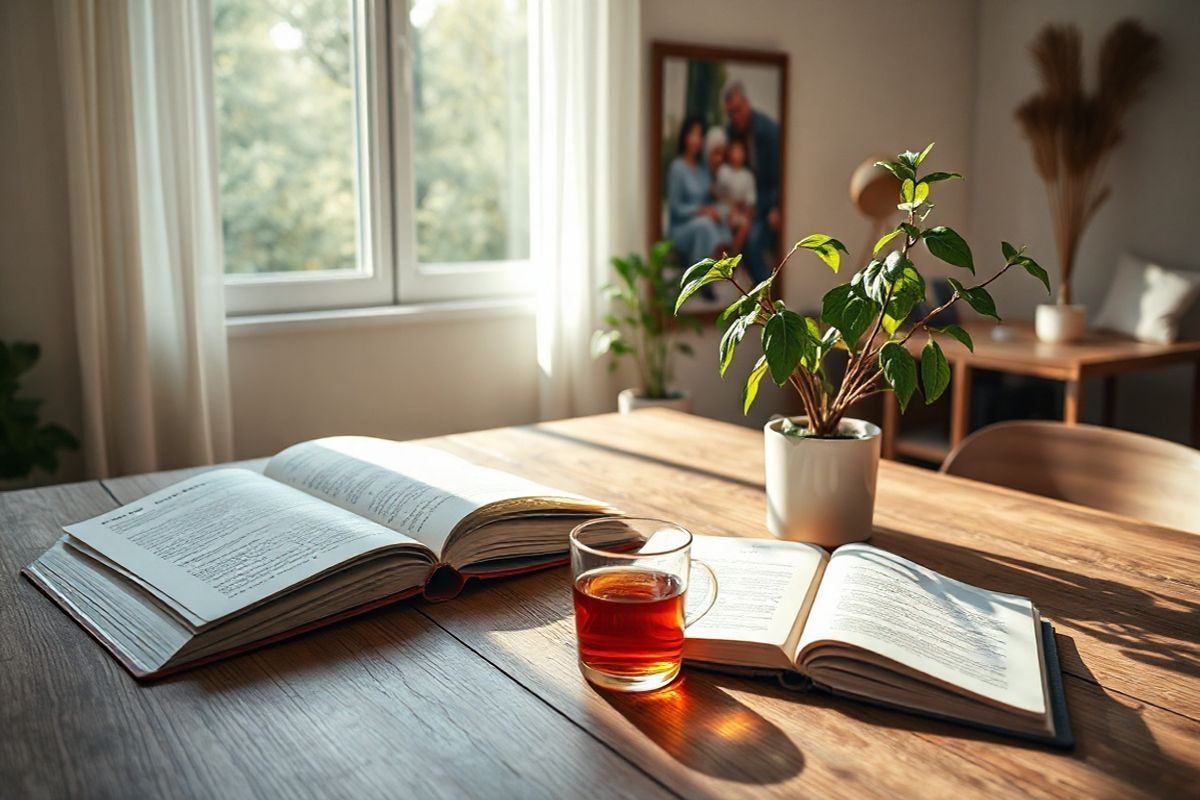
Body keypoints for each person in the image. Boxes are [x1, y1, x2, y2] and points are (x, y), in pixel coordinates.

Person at [724, 80, 780, 282]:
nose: (735, 117)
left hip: (766, 200)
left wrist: (776, 206)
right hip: (742, 201)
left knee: (753, 240)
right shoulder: (730, 131)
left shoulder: (769, 131)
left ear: (746, 104)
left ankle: (764, 292)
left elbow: (780, 175)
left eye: (738, 110)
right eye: (730, 113)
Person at [665, 115, 730, 267]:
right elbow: (675, 209)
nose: (696, 139)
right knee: (704, 225)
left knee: (720, 218)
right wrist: (700, 211)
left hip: (703, 221)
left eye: (700, 135)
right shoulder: (677, 168)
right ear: (685, 137)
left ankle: (721, 268)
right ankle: (700, 277)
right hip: (681, 228)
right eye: (692, 134)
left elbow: (710, 200)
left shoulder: (703, 169)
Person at [713, 135, 756, 255]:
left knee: (745, 224)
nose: (737, 154)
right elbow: (719, 192)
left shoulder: (748, 175)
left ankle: (734, 252)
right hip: (724, 208)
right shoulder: (724, 171)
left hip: (740, 211)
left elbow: (750, 200)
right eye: (734, 150)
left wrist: (742, 209)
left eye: (740, 151)